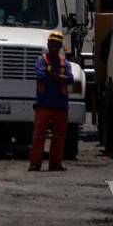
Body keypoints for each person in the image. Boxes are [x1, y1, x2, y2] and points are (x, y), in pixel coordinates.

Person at [29, 31, 73, 172]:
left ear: (60, 46)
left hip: (60, 106)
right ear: (48, 44)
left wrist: (52, 75)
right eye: (52, 43)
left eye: (57, 44)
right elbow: (42, 76)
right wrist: (59, 77)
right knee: (38, 135)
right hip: (44, 105)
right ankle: (35, 163)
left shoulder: (64, 63)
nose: (54, 46)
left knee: (59, 136)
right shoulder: (41, 60)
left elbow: (70, 79)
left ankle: (55, 163)